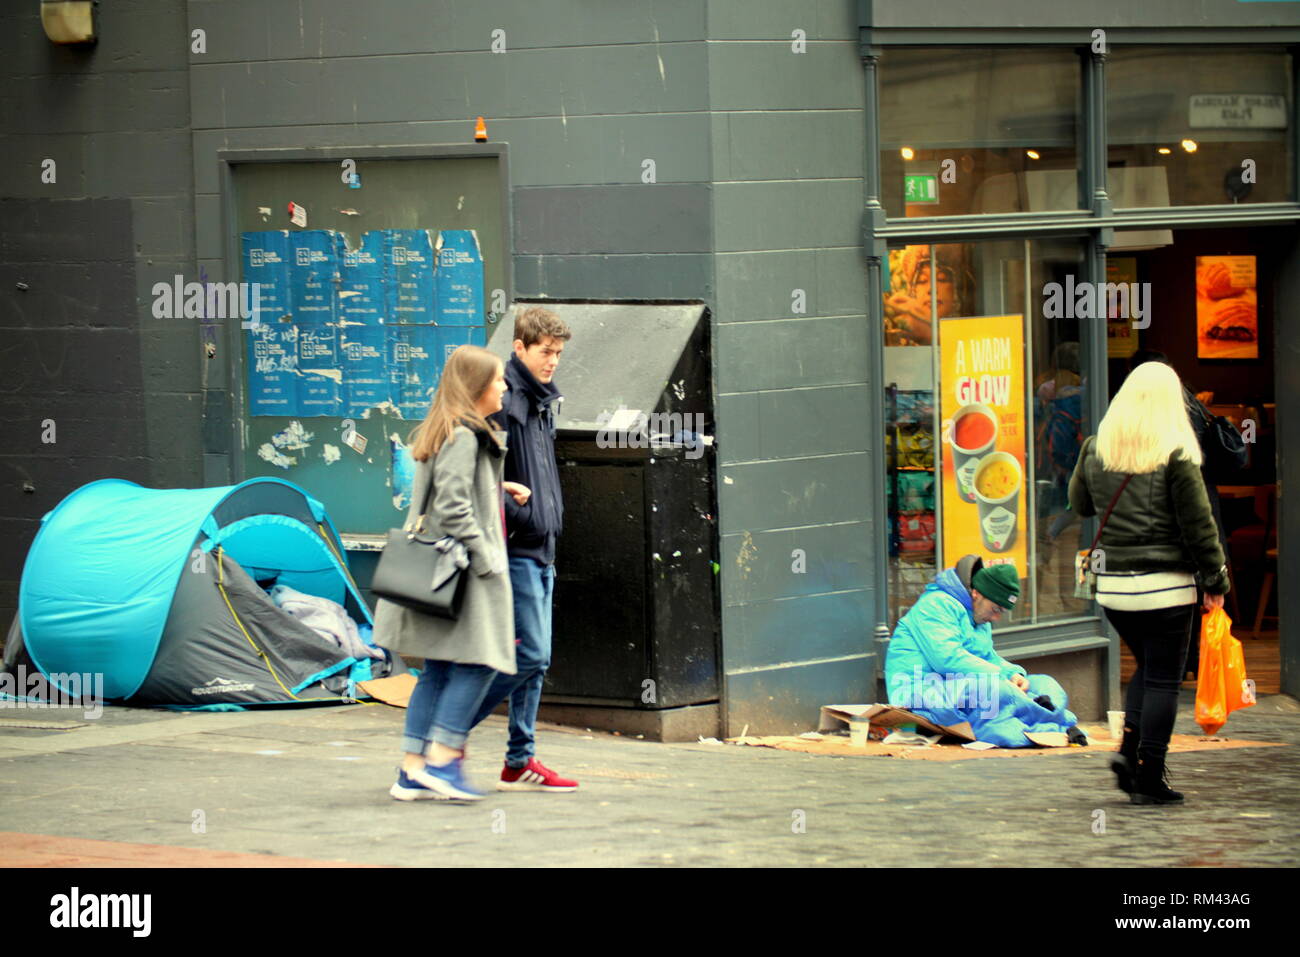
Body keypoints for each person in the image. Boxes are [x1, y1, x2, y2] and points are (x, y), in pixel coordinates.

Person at [1069, 361, 1230, 806]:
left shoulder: (1096, 449)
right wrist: (1216, 578)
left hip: (1115, 591)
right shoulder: (1177, 452)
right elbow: (1200, 525)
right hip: (1168, 589)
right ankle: (1149, 775)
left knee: (1147, 668)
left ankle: (1128, 754)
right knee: (1163, 678)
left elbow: (1079, 504)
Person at [375, 345, 521, 802]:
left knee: (438, 668)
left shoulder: (442, 430)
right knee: (481, 661)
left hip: (436, 570)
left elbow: (447, 489)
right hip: (461, 572)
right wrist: (488, 560)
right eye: (498, 380)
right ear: (477, 388)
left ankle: (412, 769)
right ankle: (443, 759)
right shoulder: (463, 435)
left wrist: (497, 486)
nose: (504, 387)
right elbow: (454, 508)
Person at [467, 307, 579, 792]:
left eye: (558, 353)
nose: (553, 361)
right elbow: (480, 477)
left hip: (542, 546)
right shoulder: (505, 401)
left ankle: (519, 757)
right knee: (532, 655)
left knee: (534, 663)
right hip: (517, 550)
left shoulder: (539, 401)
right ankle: (448, 733)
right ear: (520, 348)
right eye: (545, 352)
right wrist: (525, 517)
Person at [1125, 349, 1245, 678]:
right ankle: (1188, 660)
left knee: (1174, 583)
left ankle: (1178, 661)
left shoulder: (1146, 412)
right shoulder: (1191, 403)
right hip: (1201, 501)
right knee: (1195, 580)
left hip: (1173, 508)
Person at [885, 556, 1083, 748]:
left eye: (1002, 612)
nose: (996, 618)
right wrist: (1000, 678)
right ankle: (1052, 726)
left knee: (1046, 684)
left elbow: (987, 658)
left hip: (960, 686)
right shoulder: (935, 606)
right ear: (976, 593)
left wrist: (1013, 674)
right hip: (919, 690)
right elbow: (947, 660)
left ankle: (1044, 724)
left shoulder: (979, 616)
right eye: (995, 608)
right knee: (997, 691)